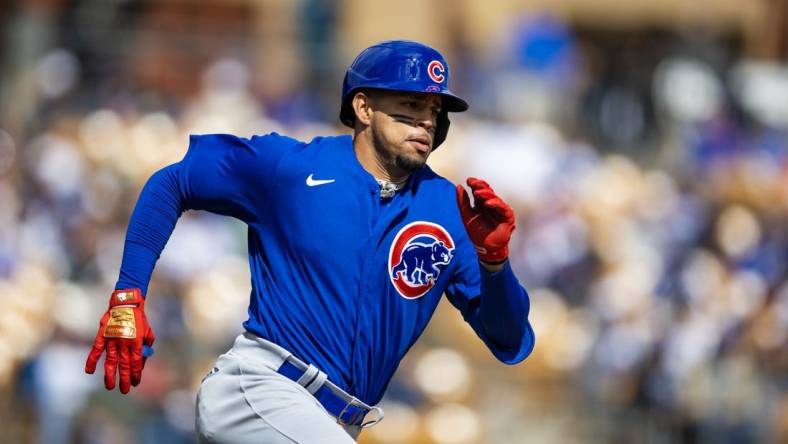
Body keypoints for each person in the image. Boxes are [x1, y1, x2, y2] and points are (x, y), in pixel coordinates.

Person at [84, 40, 536, 443]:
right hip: (260, 389)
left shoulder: (448, 210)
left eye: (434, 111)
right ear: (363, 107)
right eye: (410, 105)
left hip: (338, 423)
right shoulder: (292, 168)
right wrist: (129, 293)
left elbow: (511, 341)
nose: (425, 122)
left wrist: (494, 264)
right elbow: (174, 182)